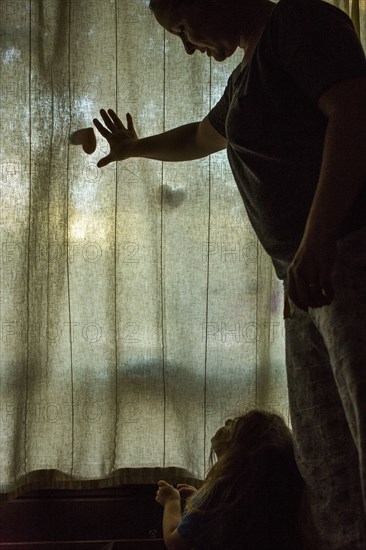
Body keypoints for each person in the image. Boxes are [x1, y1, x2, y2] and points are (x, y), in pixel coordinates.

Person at [85, 0, 366, 547]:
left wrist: (317, 239)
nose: (188, 47)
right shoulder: (245, 77)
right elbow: (199, 138)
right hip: (304, 273)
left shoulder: (300, 22)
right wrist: (134, 149)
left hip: (344, 254)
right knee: (325, 446)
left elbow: (355, 112)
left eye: (185, 29)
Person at [155, 410, 319, 550]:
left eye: (222, 460)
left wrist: (172, 501)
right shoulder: (286, 497)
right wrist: (199, 497)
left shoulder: (215, 497)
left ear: (233, 463)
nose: (228, 421)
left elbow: (174, 542)